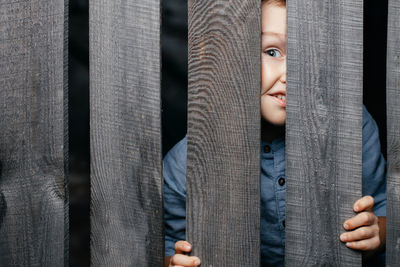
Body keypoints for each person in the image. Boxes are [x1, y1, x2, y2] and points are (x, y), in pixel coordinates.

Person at [164, 0, 387, 266]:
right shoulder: (186, 161)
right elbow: (168, 246)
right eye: (272, 52)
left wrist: (376, 234)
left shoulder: (353, 127)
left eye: (305, 55)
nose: (290, 73)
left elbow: (385, 211)